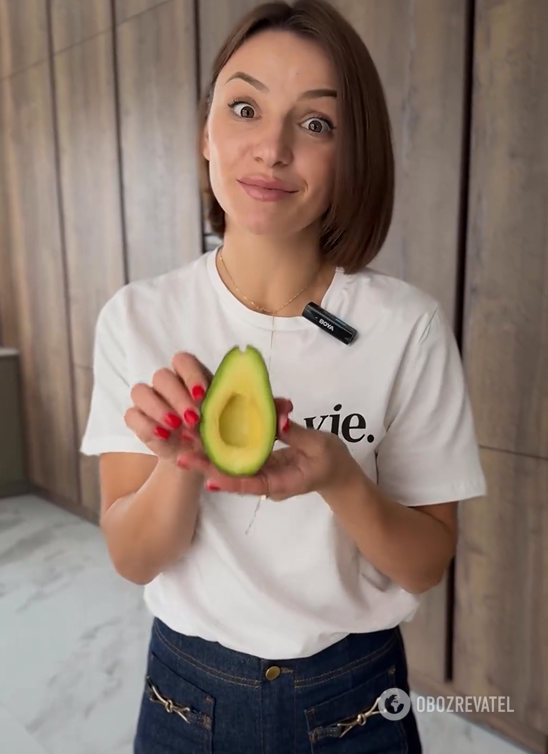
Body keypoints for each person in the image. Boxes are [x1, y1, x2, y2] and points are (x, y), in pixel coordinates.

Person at [81, 1, 487, 751]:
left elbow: (427, 563)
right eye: (244, 108)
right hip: (185, 696)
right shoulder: (137, 319)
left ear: (352, 154)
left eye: (316, 123)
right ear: (207, 132)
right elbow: (132, 557)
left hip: (357, 698)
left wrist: (341, 478)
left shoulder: (408, 327)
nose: (271, 148)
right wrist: (179, 465)